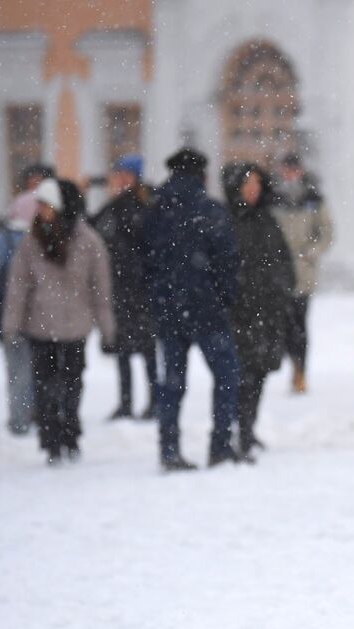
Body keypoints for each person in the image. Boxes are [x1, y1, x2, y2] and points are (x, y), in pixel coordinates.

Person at [142, 147, 242, 471]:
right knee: (226, 376)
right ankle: (220, 445)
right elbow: (227, 260)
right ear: (202, 174)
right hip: (206, 309)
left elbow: (143, 260)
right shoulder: (210, 210)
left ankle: (168, 449)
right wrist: (226, 297)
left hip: (169, 309)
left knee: (172, 382)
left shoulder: (155, 210)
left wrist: (157, 296)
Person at [2, 179, 115, 465]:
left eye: (45, 204)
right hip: (40, 327)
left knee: (72, 384)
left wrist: (107, 329)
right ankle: (51, 439)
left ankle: (70, 432)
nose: (39, 210)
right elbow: (19, 286)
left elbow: (100, 288)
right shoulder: (31, 242)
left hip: (75, 327)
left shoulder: (88, 242)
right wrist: (11, 324)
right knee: (45, 386)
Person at [222, 162, 294, 459]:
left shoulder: (267, 220)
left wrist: (282, 290)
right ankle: (235, 432)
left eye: (257, 184)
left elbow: (283, 260)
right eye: (247, 184)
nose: (253, 190)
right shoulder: (226, 221)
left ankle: (248, 429)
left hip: (268, 312)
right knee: (240, 376)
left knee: (259, 372)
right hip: (239, 313)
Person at [91, 154, 157, 420]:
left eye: (125, 175)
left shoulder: (145, 205)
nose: (120, 180)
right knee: (123, 350)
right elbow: (92, 227)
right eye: (118, 174)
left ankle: (153, 401)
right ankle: (126, 402)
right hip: (119, 289)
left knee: (147, 350)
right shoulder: (116, 206)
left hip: (141, 289)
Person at [272, 153, 334, 394]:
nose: (289, 175)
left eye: (293, 170)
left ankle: (300, 371)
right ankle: (289, 364)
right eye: (285, 170)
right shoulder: (273, 197)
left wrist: (311, 252)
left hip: (302, 272)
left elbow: (326, 231)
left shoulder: (313, 198)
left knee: (299, 325)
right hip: (277, 272)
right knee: (281, 325)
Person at [0, 191, 38, 435]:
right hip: (42, 314)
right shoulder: (44, 238)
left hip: (10, 311)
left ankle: (19, 418)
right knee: (39, 367)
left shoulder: (7, 239)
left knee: (17, 369)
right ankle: (37, 413)